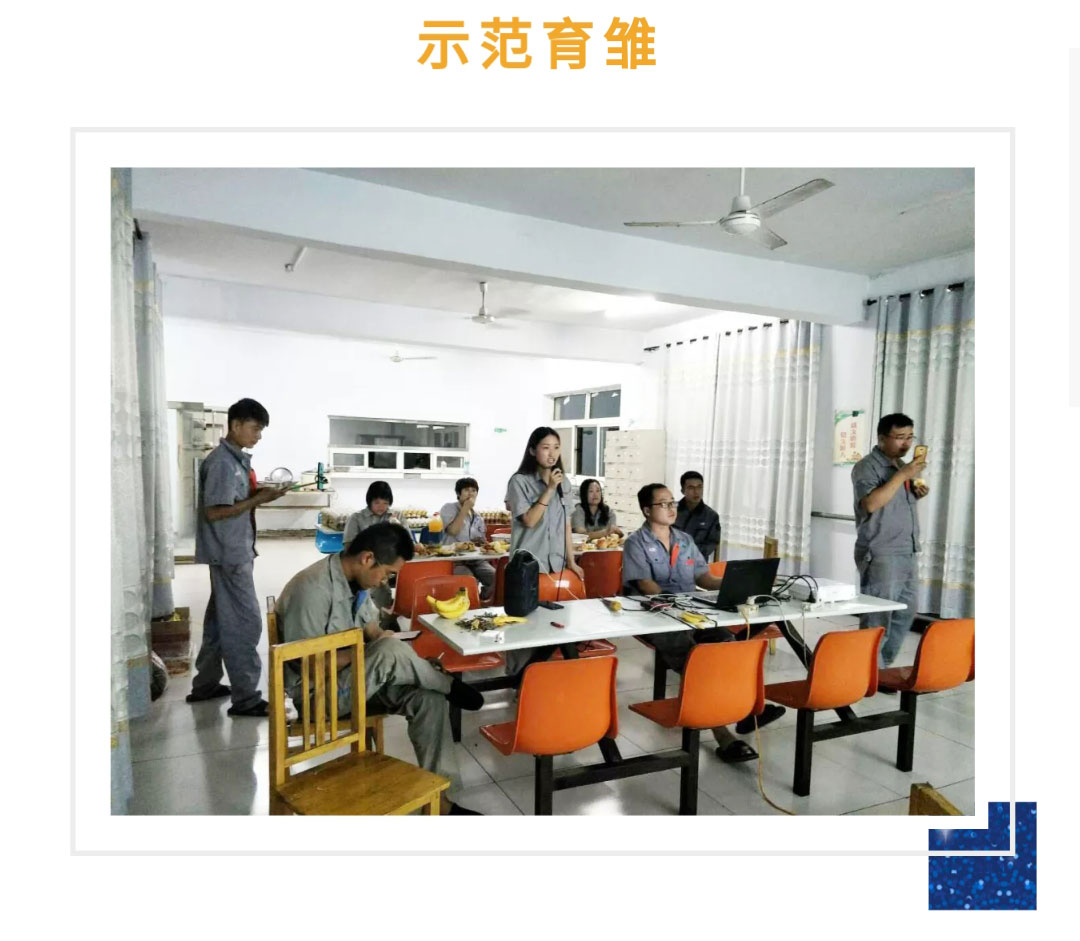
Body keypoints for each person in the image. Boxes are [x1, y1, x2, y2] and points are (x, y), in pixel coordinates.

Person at [276, 523, 484, 815]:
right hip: (317, 697)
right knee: (389, 652)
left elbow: (372, 630)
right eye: (386, 573)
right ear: (367, 558)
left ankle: (443, 805)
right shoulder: (311, 589)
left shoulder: (357, 584)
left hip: (355, 683)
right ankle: (447, 683)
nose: (385, 581)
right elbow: (310, 665)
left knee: (429, 699)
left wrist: (392, 648)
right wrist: (374, 651)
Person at [622, 483, 786, 763]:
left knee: (728, 644)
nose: (672, 508)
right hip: (656, 616)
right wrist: (678, 605)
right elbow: (647, 587)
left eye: (673, 502)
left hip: (692, 613)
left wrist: (735, 582)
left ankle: (745, 711)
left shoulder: (685, 540)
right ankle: (723, 735)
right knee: (698, 659)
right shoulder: (635, 543)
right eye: (663, 504)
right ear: (647, 510)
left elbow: (704, 578)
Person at [187, 398, 287, 717]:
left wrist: (262, 496)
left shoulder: (235, 460)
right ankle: (246, 698)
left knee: (219, 622)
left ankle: (206, 684)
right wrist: (256, 500)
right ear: (235, 425)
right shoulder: (222, 463)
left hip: (232, 550)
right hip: (230, 554)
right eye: (255, 429)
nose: (258, 435)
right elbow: (216, 512)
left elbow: (234, 502)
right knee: (245, 623)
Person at [504, 427, 587, 679]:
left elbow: (566, 523)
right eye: (545, 448)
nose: (552, 454)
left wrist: (572, 560)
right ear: (532, 450)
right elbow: (529, 520)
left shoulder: (565, 483)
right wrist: (550, 489)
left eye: (556, 448)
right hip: (527, 567)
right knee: (524, 628)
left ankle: (546, 679)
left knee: (558, 624)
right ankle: (518, 680)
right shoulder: (519, 481)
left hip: (556, 565)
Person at [851, 412, 928, 670]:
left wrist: (916, 490)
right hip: (881, 550)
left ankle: (880, 669)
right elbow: (871, 504)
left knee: (906, 611)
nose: (907, 443)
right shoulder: (867, 466)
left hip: (908, 548)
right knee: (878, 616)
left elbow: (894, 502)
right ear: (882, 438)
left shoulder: (901, 466)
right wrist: (902, 475)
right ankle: (868, 672)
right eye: (900, 437)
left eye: (910, 437)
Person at [342, 481, 408, 627]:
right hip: (364, 568)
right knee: (366, 600)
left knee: (384, 600)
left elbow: (407, 543)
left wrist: (398, 529)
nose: (381, 507)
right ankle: (363, 627)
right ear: (369, 501)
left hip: (388, 569)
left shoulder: (396, 516)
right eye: (377, 502)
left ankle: (383, 625)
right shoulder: (357, 518)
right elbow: (348, 547)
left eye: (385, 503)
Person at [439, 477, 497, 603]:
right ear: (458, 493)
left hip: (476, 560)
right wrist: (465, 508)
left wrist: (485, 544)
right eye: (466, 490)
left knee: (497, 577)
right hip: (455, 560)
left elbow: (479, 541)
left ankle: (482, 601)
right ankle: (470, 605)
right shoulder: (449, 508)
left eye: (473, 490)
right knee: (469, 581)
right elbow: (452, 531)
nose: (470, 493)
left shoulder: (478, 517)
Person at [674, 471, 721, 562]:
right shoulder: (671, 511)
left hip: (697, 563)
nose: (696, 492)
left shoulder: (711, 516)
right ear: (683, 491)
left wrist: (689, 555)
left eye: (699, 487)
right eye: (691, 488)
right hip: (671, 561)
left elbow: (710, 545)